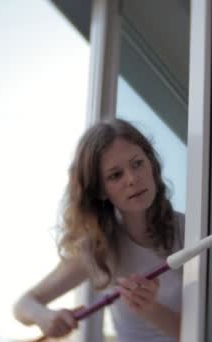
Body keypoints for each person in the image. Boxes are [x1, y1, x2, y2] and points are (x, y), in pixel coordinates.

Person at [13, 118, 184, 342]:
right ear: (101, 191)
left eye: (137, 163)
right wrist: (44, 316)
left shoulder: (190, 230)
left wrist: (150, 309)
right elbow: (23, 304)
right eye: (115, 175)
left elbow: (204, 332)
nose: (132, 179)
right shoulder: (98, 247)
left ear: (151, 164)